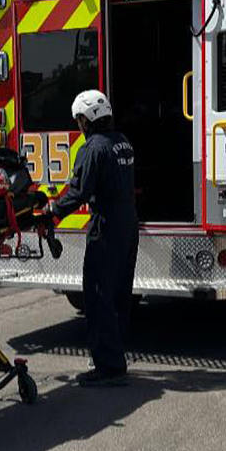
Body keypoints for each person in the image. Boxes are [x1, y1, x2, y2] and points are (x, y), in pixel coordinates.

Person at [46, 89, 138, 386]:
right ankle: (116, 353)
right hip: (128, 224)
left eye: (79, 120)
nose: (78, 126)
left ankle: (108, 367)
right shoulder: (122, 143)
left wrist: (52, 211)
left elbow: (79, 191)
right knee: (119, 294)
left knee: (97, 295)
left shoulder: (93, 148)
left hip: (107, 226)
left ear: (87, 119)